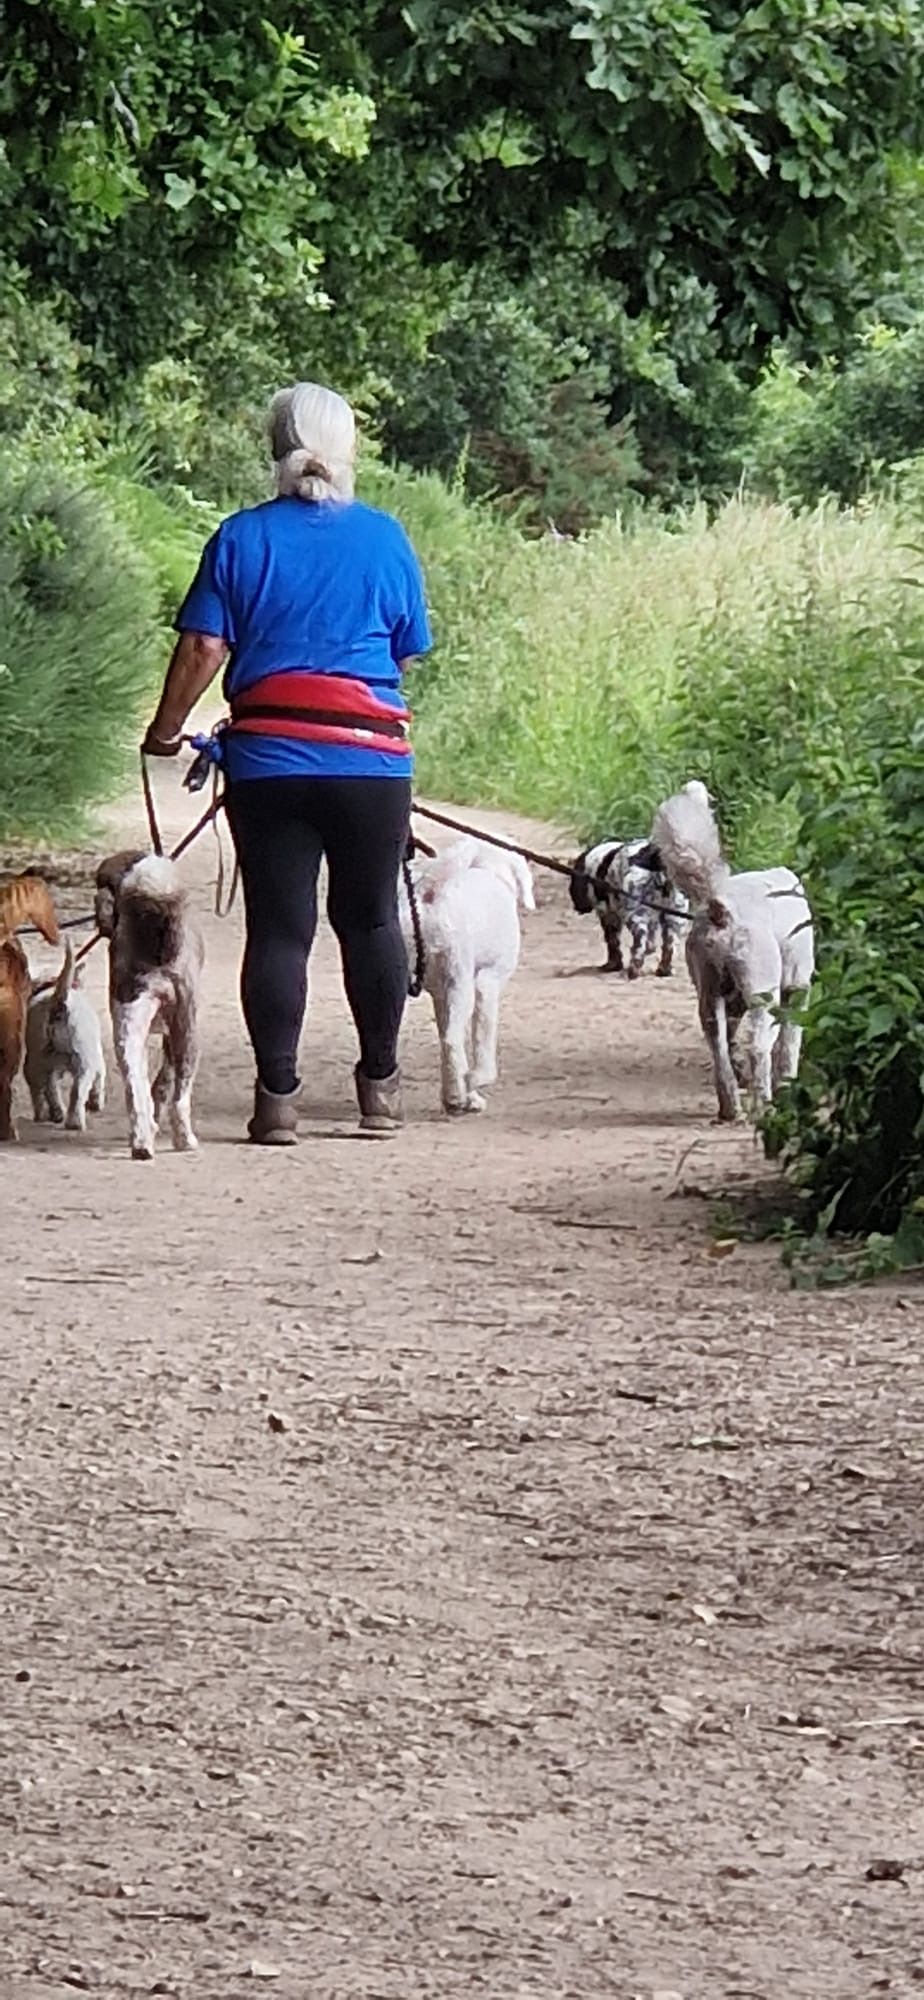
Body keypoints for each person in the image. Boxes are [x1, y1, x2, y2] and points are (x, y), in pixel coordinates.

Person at [141, 381, 432, 1143]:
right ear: (348, 453)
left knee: (280, 928)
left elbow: (205, 645)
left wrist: (167, 730)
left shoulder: (240, 538)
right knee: (370, 920)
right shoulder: (385, 537)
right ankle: (379, 1090)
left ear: (275, 450)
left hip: (269, 763)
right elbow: (406, 648)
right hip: (370, 766)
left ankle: (277, 1100)